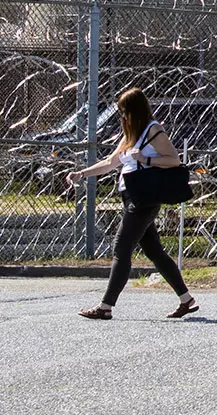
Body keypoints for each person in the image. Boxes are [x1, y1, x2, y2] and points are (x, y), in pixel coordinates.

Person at [67, 87, 198, 320]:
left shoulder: (153, 130)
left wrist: (146, 158)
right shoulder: (131, 135)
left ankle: (105, 306)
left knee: (122, 246)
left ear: (135, 110)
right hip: (132, 196)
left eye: (125, 112)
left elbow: (174, 160)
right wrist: (82, 174)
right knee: (154, 251)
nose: (122, 117)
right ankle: (186, 300)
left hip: (145, 198)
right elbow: (110, 162)